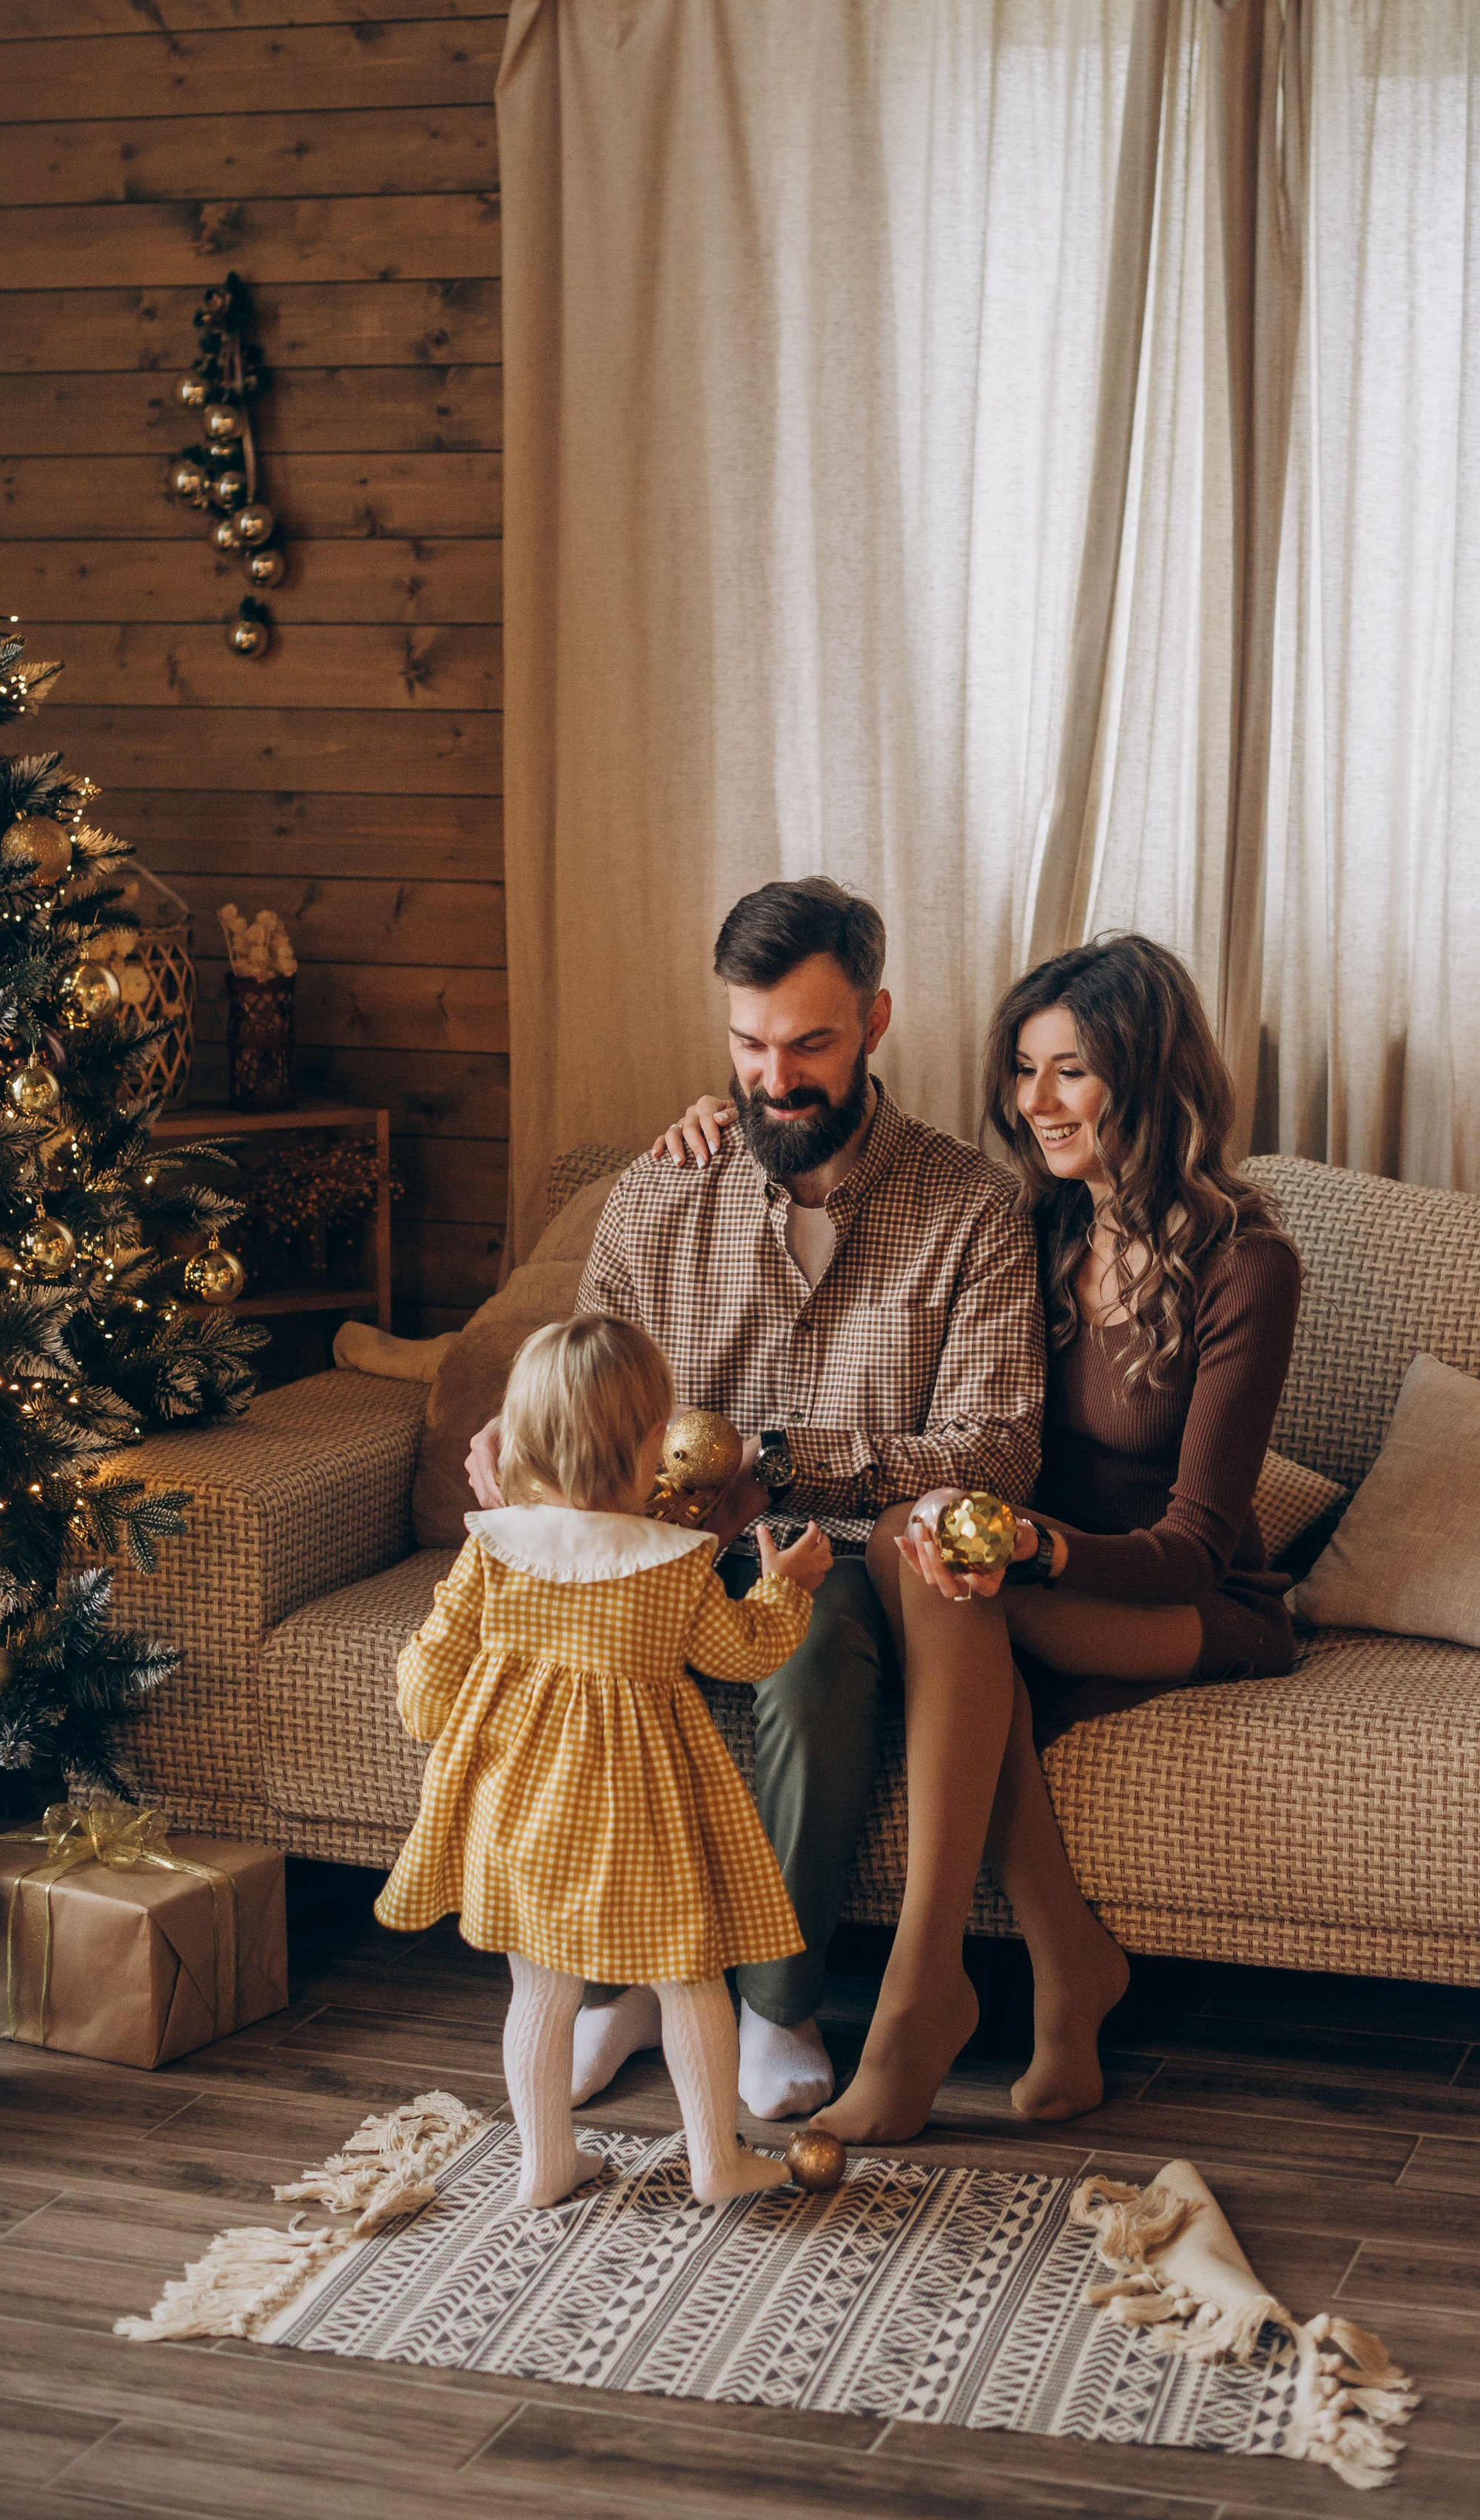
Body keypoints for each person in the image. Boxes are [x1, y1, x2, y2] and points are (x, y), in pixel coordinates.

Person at [658, 935, 1302, 2146]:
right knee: (934, 1571)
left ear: (1150, 1078)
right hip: (997, 1570)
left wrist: (1033, 1548)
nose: (1033, 1102)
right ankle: (1067, 1966)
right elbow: (820, 1160)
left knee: (927, 1550)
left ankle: (919, 2002)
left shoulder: (1248, 1263)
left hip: (1186, 1601)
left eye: (1071, 1071)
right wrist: (719, 1120)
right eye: (1023, 1069)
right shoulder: (1033, 1225)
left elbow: (1197, 1543)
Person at [466, 877, 1047, 2123]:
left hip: (841, 1559)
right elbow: (584, 1388)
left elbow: (993, 1456)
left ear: (877, 1020)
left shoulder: (973, 1208)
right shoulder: (658, 1191)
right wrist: (519, 1441)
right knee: (583, 1645)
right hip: (654, 1549)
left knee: (810, 1645)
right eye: (748, 1042)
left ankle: (775, 2003)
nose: (773, 1077)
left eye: (808, 1044)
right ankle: (620, 1979)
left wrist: (776, 1458)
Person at [377, 1312, 833, 2208]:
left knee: (541, 1992)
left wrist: (431, 1711)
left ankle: (545, 2162)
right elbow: (740, 1654)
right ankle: (717, 2162)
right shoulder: (672, 1562)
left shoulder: (495, 1550)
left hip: (520, 1812)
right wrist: (787, 1591)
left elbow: (432, 1672)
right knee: (691, 1982)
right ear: (645, 1445)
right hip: (646, 1815)